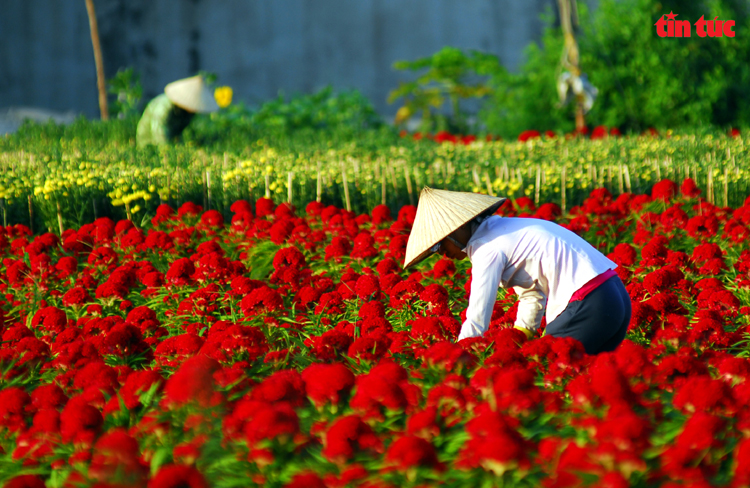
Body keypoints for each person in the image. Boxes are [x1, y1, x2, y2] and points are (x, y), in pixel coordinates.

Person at [403, 187, 631, 354]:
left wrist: (459, 356)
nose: (441, 252)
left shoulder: (486, 248)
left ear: (459, 227)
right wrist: (520, 337)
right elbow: (532, 293)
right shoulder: (506, 230)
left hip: (589, 302)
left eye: (439, 244)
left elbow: (477, 315)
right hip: (613, 295)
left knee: (550, 375)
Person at [136, 75, 219, 148]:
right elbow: (159, 132)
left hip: (170, 143)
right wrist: (167, 149)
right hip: (149, 142)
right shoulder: (163, 107)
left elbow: (183, 132)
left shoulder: (187, 113)